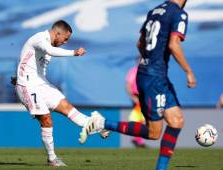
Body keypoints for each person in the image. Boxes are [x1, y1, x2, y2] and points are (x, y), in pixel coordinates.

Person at [80, 0, 196, 170]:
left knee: (176, 121)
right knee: (153, 132)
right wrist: (188, 71)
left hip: (153, 75)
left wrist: (149, 62)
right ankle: (102, 123)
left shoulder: (154, 11)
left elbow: (140, 43)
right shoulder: (179, 13)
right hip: (154, 77)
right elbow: (173, 44)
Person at [14, 20, 98, 167]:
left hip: (40, 83)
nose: (65, 42)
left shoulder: (49, 46)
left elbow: (32, 65)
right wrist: (74, 52)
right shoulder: (41, 39)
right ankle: (52, 159)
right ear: (57, 33)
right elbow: (50, 51)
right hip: (27, 85)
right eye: (65, 39)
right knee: (46, 119)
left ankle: (96, 127)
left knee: (66, 106)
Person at [125, 64, 146, 148]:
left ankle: (138, 140)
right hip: (137, 97)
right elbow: (128, 85)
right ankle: (138, 140)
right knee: (138, 119)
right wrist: (133, 97)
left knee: (142, 119)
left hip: (144, 96)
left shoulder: (147, 70)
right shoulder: (134, 71)